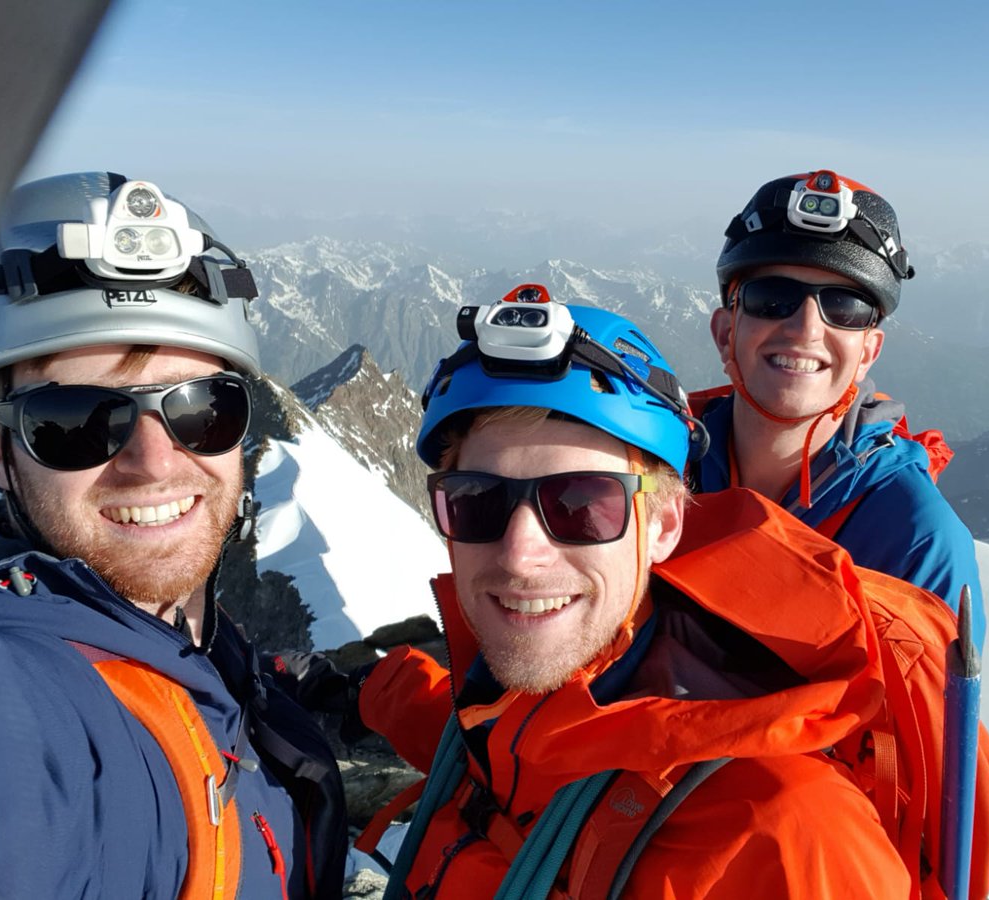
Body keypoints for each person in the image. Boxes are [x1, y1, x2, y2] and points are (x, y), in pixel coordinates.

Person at [351, 283, 921, 898]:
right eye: (474, 501)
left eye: (580, 505)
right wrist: (356, 689)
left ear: (664, 526)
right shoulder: (506, 704)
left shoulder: (786, 836)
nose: (519, 554)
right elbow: (524, 740)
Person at [0, 172, 346, 898]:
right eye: (74, 419)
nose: (154, 461)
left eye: (203, 408)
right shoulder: (25, 702)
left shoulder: (192, 639)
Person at [692, 169, 987, 649]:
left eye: (844, 306)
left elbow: (922, 719)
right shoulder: (650, 467)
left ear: (868, 351)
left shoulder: (914, 538)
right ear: (726, 332)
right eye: (773, 298)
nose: (806, 328)